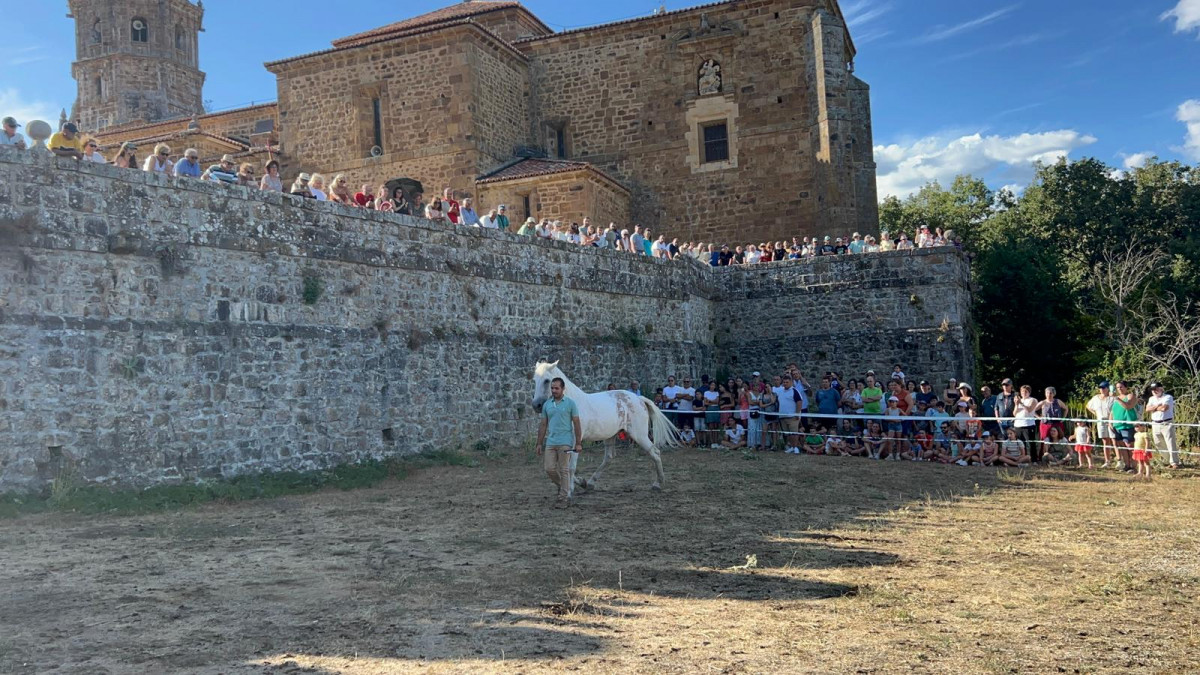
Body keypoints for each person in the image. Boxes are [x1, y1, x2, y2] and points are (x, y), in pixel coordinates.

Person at [535, 377, 583, 508]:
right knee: (549, 469)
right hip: (551, 442)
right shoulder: (547, 404)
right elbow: (543, 424)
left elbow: (577, 423)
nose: (554, 390)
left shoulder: (570, 403)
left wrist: (578, 442)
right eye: (552, 388)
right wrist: (539, 443)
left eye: (556, 388)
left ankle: (563, 498)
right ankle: (564, 488)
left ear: (563, 389)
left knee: (564, 469)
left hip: (565, 442)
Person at [1145, 382, 1179, 469]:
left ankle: (1174, 462)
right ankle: (1167, 461)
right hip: (1155, 423)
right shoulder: (1151, 399)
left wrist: (1154, 408)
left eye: (1156, 389)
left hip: (1166, 423)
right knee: (1158, 443)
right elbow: (1147, 409)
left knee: (1170, 443)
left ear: (1161, 389)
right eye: (1153, 390)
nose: (1154, 391)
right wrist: (1157, 406)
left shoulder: (1168, 397)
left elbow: (1164, 408)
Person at [1112, 380, 1141, 472]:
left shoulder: (1130, 396)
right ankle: (1127, 465)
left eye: (1121, 387)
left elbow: (1128, 406)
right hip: (1117, 426)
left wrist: (1117, 399)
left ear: (1126, 387)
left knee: (1129, 446)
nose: (1119, 389)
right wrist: (1110, 423)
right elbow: (1112, 412)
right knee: (1122, 447)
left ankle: (1133, 466)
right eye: (1117, 387)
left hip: (1127, 425)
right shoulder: (1116, 399)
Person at [774, 375, 803, 454]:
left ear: (791, 382)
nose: (785, 383)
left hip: (792, 416)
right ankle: (792, 447)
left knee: (794, 433)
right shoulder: (780, 392)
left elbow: (799, 402)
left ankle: (796, 447)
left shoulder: (795, 391)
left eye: (787, 382)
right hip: (783, 416)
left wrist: (797, 413)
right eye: (784, 382)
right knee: (787, 433)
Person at [1012, 385, 1039, 453]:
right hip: (1018, 425)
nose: (1023, 393)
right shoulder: (1018, 401)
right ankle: (1024, 459)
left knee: (1031, 443)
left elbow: (1029, 409)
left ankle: (1034, 460)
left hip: (1028, 425)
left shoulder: (1033, 400)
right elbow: (1014, 414)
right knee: (1021, 444)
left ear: (1029, 392)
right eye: (1022, 391)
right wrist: (1016, 404)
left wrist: (1021, 403)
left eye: (1025, 391)